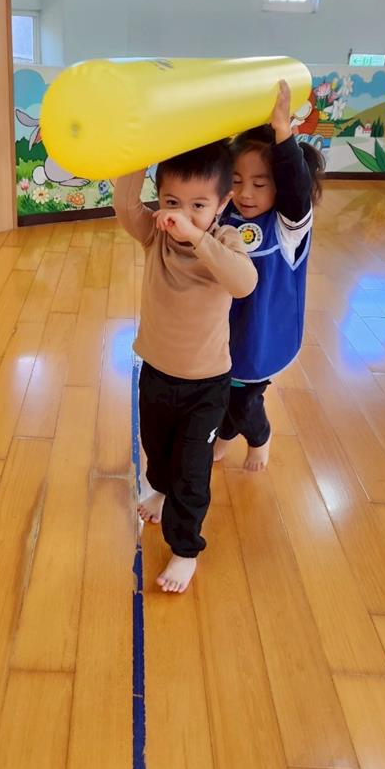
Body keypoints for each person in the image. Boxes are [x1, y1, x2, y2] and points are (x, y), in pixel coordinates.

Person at [113, 143, 257, 593]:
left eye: (198, 205)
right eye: (172, 202)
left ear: (222, 203)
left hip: (206, 386)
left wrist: (198, 237)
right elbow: (125, 205)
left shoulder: (224, 241)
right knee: (156, 448)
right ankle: (158, 489)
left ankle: (185, 549)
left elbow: (244, 283)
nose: (183, 215)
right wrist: (140, 150)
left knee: (192, 470)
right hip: (156, 372)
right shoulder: (155, 235)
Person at [214, 81, 325, 472]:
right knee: (221, 392)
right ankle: (225, 433)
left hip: (260, 336)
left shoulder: (287, 225)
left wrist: (282, 133)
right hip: (221, 332)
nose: (245, 193)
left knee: (245, 400)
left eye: (260, 184)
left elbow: (295, 188)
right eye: (236, 181)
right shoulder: (224, 212)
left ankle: (259, 437)